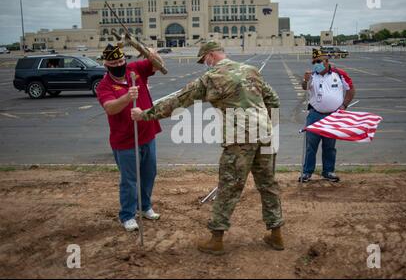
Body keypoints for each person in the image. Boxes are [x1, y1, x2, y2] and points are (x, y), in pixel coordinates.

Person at [131, 40, 284, 255]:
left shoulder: (211, 78)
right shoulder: (251, 70)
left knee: (229, 187)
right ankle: (276, 235)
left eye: (204, 60)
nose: (205, 64)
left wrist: (145, 115)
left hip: (239, 139)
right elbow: (274, 99)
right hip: (266, 135)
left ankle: (216, 239)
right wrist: (263, 123)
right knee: (268, 184)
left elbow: (178, 101)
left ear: (211, 56)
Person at [96, 43, 164, 231]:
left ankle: (145, 207)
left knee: (149, 174)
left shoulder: (134, 69)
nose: (119, 64)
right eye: (114, 62)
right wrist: (127, 97)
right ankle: (127, 215)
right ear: (106, 65)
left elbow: (157, 66)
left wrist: (152, 55)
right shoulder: (104, 86)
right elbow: (110, 108)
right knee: (130, 180)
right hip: (125, 141)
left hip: (147, 134)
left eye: (121, 60)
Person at [299, 48, 355, 183]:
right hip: (314, 115)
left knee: (329, 146)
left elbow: (351, 89)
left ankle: (328, 171)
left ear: (326, 61)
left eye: (319, 61)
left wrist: (344, 106)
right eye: (314, 62)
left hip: (333, 116)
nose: (316, 64)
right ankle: (307, 172)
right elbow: (304, 87)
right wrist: (305, 80)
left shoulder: (339, 74)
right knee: (311, 146)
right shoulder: (312, 75)